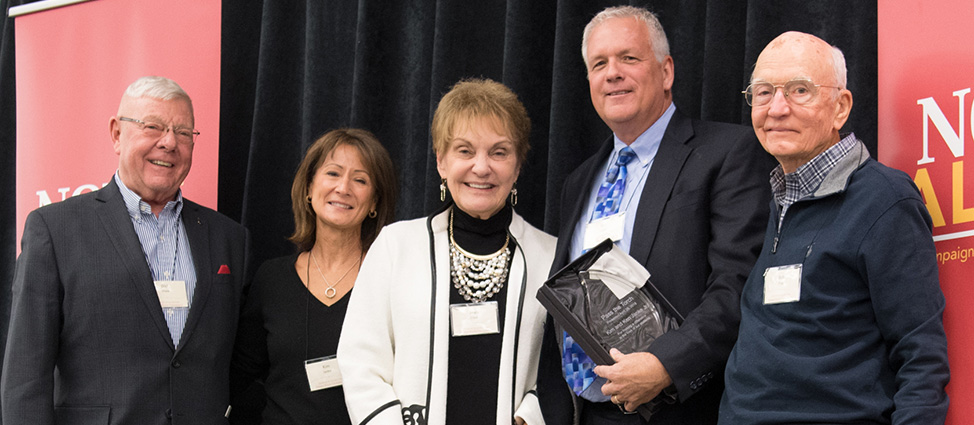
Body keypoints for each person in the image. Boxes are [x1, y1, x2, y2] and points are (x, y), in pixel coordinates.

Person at [536, 6, 775, 424]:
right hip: (584, 412)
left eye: (629, 58)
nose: (612, 73)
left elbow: (737, 286)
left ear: (666, 72)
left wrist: (665, 365)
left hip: (676, 409)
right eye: (599, 63)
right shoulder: (578, 181)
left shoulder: (726, 153)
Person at [719, 31, 950, 425]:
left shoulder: (885, 199)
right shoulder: (778, 198)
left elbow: (921, 357)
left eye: (799, 90)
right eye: (762, 92)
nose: (776, 108)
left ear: (840, 108)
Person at [1, 76, 250, 424]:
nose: (169, 142)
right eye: (153, 126)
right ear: (117, 134)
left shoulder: (228, 238)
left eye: (183, 132)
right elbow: (26, 375)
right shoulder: (55, 229)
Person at [337, 78, 556, 425]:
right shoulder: (396, 246)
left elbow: (562, 371)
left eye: (499, 152)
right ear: (441, 162)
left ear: (517, 166)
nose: (481, 167)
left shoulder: (552, 258)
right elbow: (360, 361)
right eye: (465, 151)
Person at [228, 128, 397, 425]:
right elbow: (240, 378)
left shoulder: (392, 280)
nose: (343, 188)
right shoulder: (271, 279)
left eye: (360, 180)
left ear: (373, 203)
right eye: (333, 174)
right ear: (308, 188)